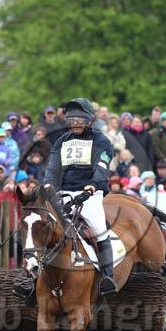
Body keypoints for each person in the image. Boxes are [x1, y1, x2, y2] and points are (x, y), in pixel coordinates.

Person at [42, 97, 117, 295]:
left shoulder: (101, 141)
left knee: (99, 229)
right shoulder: (62, 141)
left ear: (90, 120)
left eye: (80, 119)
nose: (75, 122)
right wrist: (48, 186)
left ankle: (107, 276)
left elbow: (101, 168)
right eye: (71, 119)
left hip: (90, 193)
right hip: (64, 193)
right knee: (45, 227)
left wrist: (90, 188)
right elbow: (52, 169)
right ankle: (34, 275)